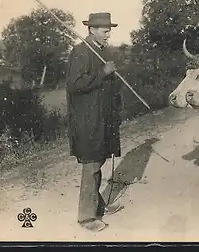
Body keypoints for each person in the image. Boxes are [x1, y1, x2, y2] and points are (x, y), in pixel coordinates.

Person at [66, 12, 124, 232]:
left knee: (98, 160)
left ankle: (98, 204)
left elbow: (107, 88)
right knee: (91, 164)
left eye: (109, 30)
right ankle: (87, 218)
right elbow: (75, 85)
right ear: (91, 29)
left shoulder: (101, 52)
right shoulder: (80, 52)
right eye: (104, 30)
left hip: (103, 118)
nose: (108, 34)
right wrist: (103, 72)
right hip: (87, 120)